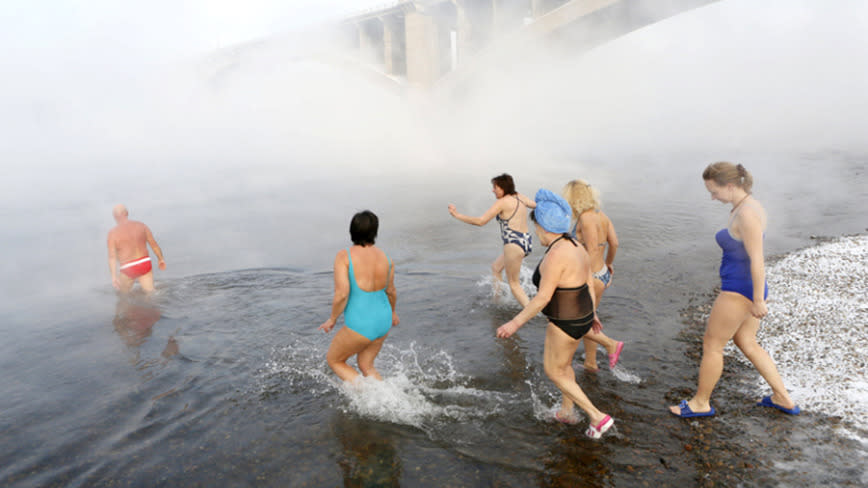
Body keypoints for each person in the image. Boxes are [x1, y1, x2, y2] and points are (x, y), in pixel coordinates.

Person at [669, 162, 799, 418]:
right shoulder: (747, 206)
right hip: (746, 288)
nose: (712, 197)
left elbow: (757, 259)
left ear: (730, 186)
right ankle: (782, 397)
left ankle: (700, 403)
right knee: (746, 342)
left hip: (739, 290)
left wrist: (759, 299)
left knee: (712, 345)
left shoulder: (747, 215)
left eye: (714, 191)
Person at [496, 189, 615, 439]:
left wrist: (515, 323)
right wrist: (592, 314)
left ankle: (596, 416)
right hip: (581, 312)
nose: (535, 232)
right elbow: (589, 283)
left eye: (536, 226)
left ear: (544, 226)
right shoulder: (576, 246)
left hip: (564, 320)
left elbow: (542, 298)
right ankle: (566, 411)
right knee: (565, 367)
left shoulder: (556, 255)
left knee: (554, 371)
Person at [319, 210, 399, 383]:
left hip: (361, 324)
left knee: (335, 360)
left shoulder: (344, 256)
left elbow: (341, 294)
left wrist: (332, 319)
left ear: (352, 230)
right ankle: (385, 397)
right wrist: (393, 313)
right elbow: (391, 291)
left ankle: (369, 397)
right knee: (366, 365)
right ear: (375, 232)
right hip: (383, 321)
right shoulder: (386, 258)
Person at [562, 180, 624, 372]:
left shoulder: (586, 219)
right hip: (601, 274)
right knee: (589, 321)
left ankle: (610, 344)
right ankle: (590, 362)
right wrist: (609, 264)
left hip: (590, 277)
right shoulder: (601, 215)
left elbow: (591, 251)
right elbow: (614, 243)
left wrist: (582, 279)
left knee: (573, 321)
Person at [448, 174, 537, 306]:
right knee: (496, 268)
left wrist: (457, 215)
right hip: (525, 242)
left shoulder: (502, 203)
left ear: (502, 188)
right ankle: (497, 300)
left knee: (514, 285)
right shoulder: (520, 196)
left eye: (495, 187)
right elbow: (536, 205)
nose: (493, 190)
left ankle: (533, 313)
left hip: (513, 244)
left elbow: (480, 221)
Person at [107, 204, 166, 294]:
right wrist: (161, 259)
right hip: (144, 262)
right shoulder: (141, 226)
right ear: (127, 213)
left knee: (122, 296)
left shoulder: (112, 233)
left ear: (115, 216)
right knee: (151, 294)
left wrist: (114, 277)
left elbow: (112, 257)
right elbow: (154, 245)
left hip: (128, 266)